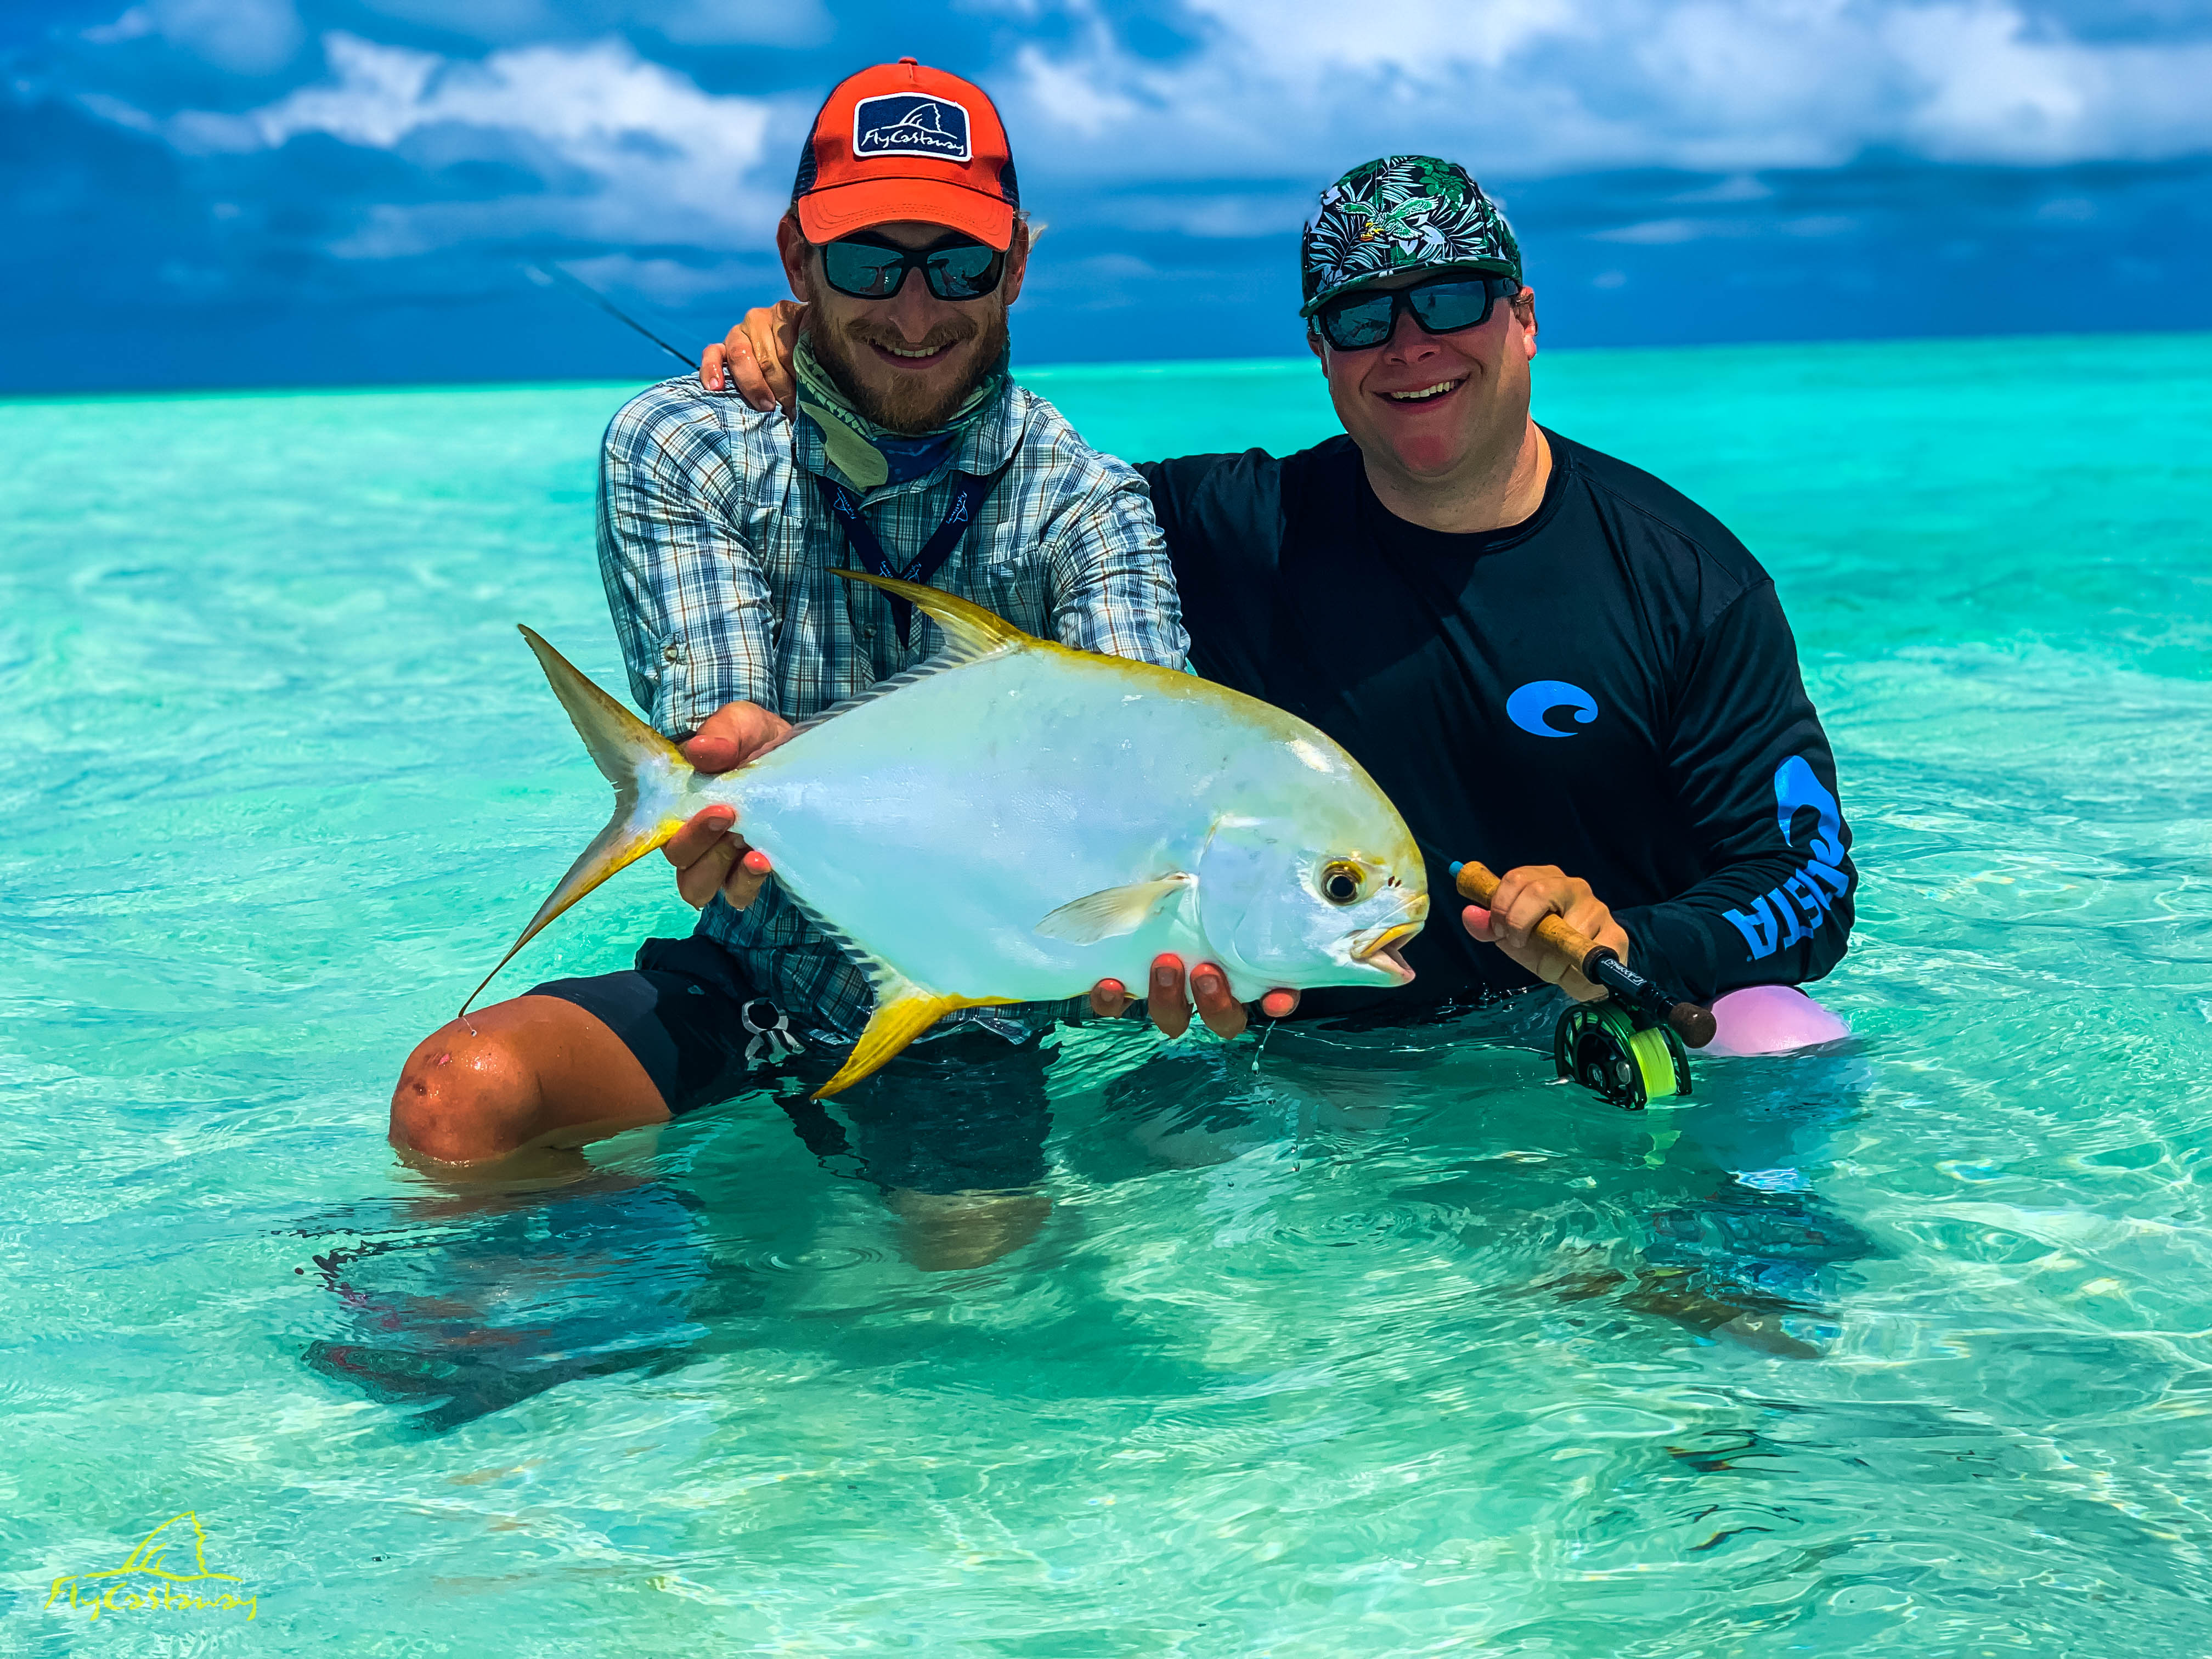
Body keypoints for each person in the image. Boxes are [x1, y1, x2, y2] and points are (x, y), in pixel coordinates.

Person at [703, 154, 1856, 1045]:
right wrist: (828, 361)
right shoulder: (1228, 526)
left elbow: (1812, 881)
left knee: (1790, 1039)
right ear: (1321, 348)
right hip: (1307, 1052)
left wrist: (1634, 937)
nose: (1410, 346)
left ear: (1524, 317)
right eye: (1362, 317)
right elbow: (993, 498)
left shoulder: (1685, 581)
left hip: (1586, 1032)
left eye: (1450, 300)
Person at [390, 60, 1194, 1259]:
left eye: (959, 266)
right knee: (457, 1102)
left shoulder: (1091, 509)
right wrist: (728, 772)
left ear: (1017, 266)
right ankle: (659, 1304)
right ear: (796, 257)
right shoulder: (685, 447)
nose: (913, 313)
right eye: (869, 262)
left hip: (978, 1006)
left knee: (971, 1280)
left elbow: (1153, 777)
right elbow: (724, 723)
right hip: (760, 976)